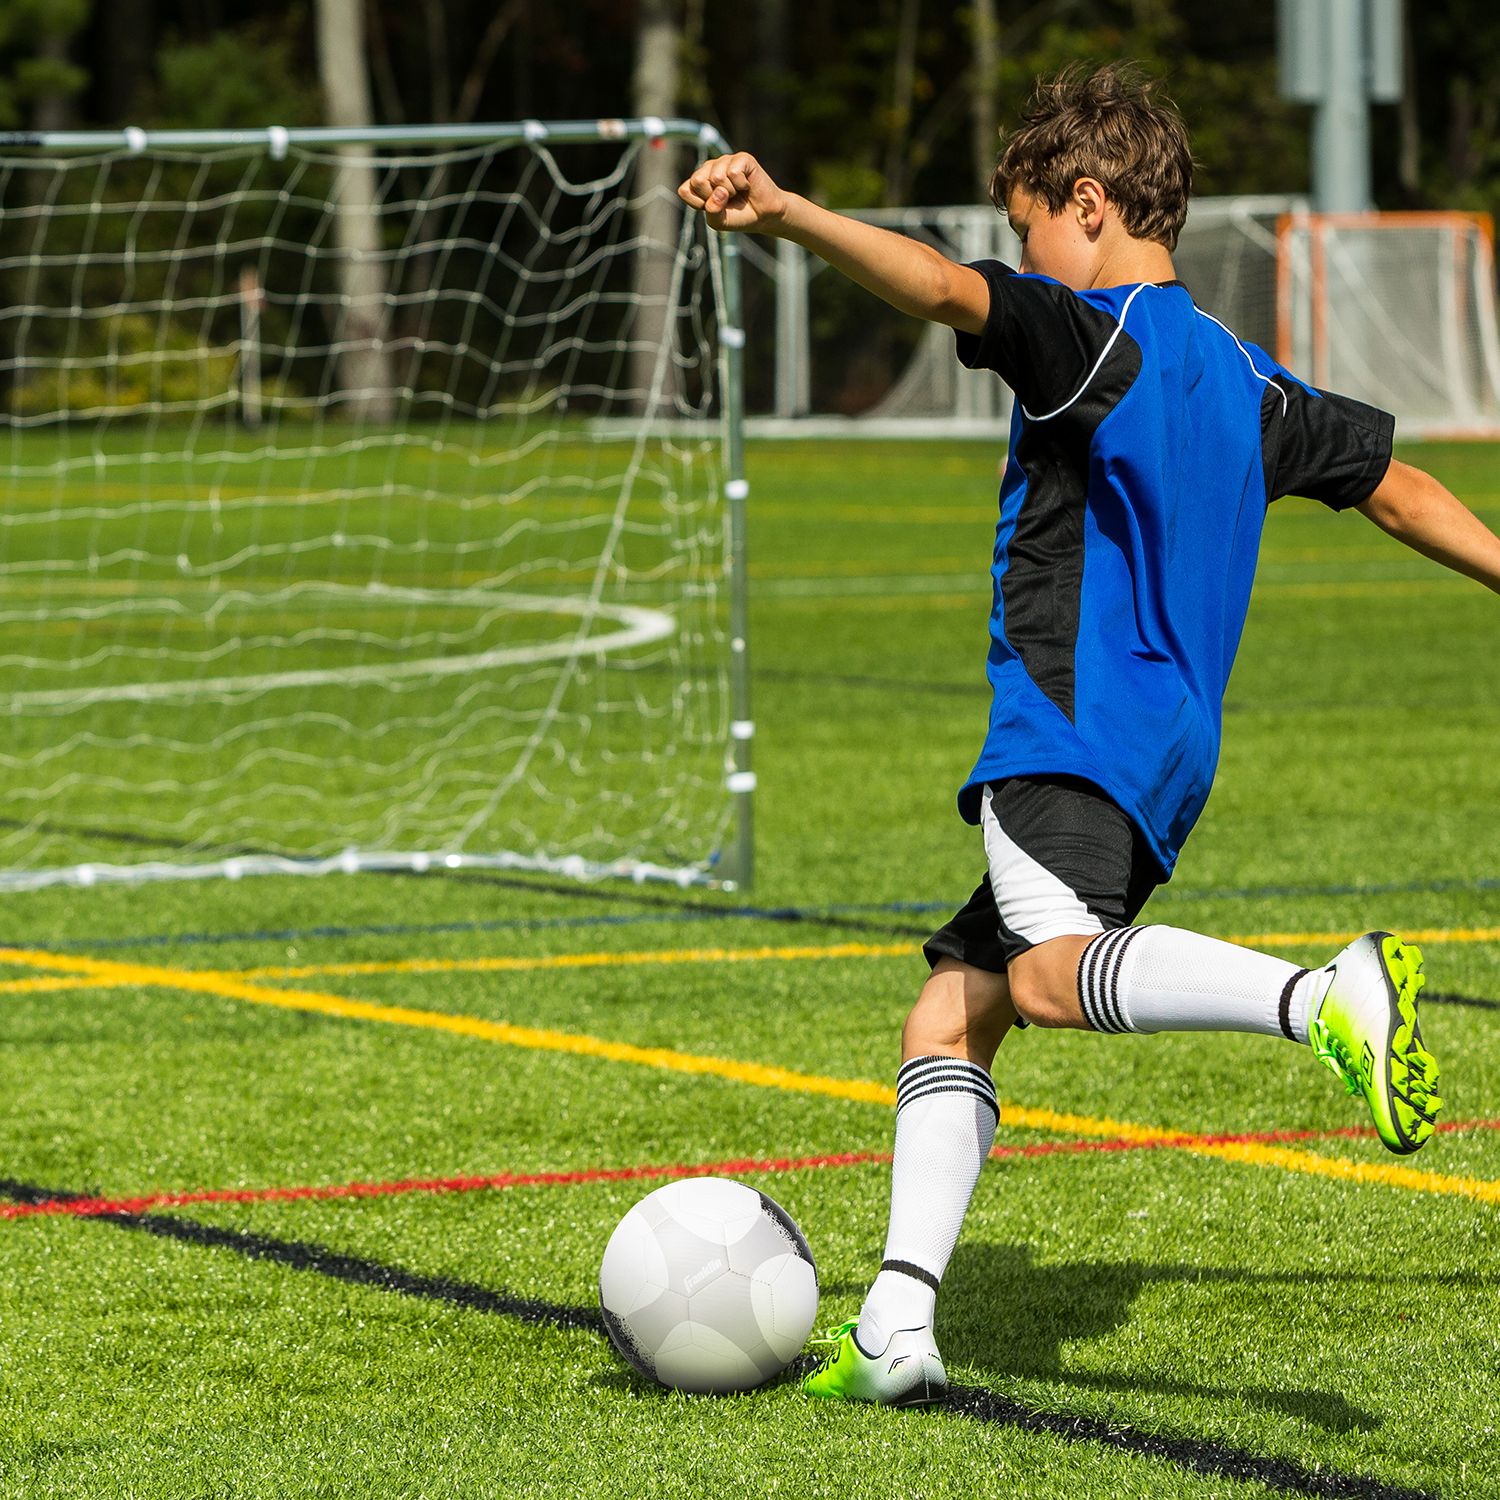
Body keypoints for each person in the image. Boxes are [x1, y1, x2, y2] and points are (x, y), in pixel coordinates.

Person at [678, 62, 1500, 1407]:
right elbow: (1399, 486)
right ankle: (898, 1324)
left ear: (1091, 202)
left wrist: (791, 213)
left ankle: (1322, 1000)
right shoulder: (1246, 376)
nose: (1023, 261)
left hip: (1067, 733)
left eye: (1033, 228)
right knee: (957, 1005)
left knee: (1053, 976)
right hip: (1170, 759)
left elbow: (948, 289)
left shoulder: (1088, 338)